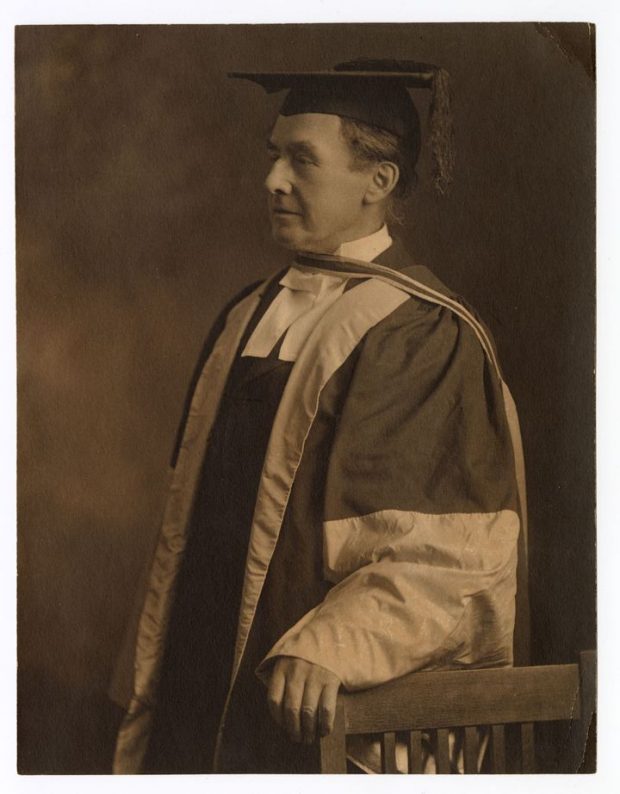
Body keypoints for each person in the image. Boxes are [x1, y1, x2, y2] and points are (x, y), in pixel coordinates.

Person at [109, 59, 526, 774]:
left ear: (379, 182)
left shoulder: (419, 334)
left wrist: (330, 645)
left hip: (303, 711)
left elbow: (445, 556)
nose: (272, 181)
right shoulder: (248, 310)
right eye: (273, 155)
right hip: (199, 682)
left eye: (302, 159)